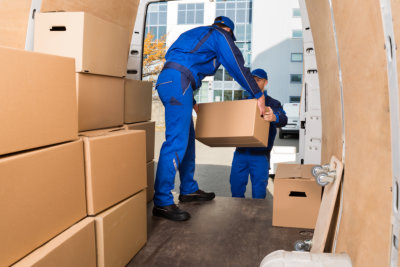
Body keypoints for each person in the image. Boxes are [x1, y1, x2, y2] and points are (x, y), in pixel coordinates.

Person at [153, 16, 268, 221]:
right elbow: (237, 66)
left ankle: (188, 189)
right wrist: (257, 95)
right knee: (176, 142)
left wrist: (192, 99)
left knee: (186, 140)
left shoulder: (196, 33)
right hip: (179, 82)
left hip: (171, 81)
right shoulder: (220, 35)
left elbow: (182, 62)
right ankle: (162, 201)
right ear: (230, 31)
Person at [229, 69, 288, 199]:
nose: (255, 83)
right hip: (240, 154)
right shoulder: (243, 102)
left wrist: (274, 117)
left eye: (259, 80)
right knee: (236, 189)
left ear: (265, 82)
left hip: (260, 155)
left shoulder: (273, 103)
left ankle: (257, 219)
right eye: (253, 80)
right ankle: (237, 217)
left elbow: (284, 119)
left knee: (259, 193)